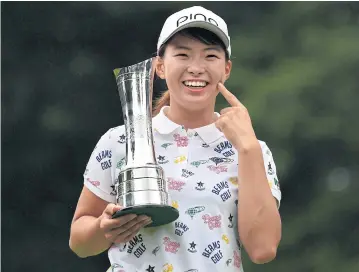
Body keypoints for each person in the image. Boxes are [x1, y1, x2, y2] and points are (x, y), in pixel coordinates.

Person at [69, 5, 282, 272]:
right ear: (160, 66)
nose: (196, 68)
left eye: (210, 56)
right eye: (182, 54)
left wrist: (248, 147)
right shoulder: (120, 140)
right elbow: (79, 242)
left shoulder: (252, 150)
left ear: (226, 69)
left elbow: (263, 249)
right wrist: (104, 228)